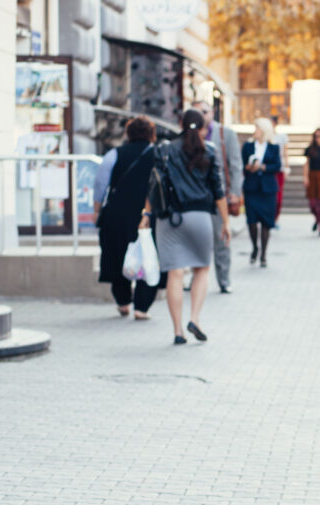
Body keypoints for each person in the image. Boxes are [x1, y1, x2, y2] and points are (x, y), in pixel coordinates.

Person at [139, 109, 229, 345]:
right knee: (201, 270)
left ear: (180, 123)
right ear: (202, 128)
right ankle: (195, 319)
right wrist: (226, 222)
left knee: (175, 274)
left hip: (170, 218)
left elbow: (153, 184)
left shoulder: (164, 149)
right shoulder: (209, 150)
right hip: (200, 217)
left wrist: (146, 213)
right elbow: (218, 191)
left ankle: (178, 331)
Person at [93, 115, 162, 319]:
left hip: (117, 213)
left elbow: (100, 184)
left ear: (128, 134)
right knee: (148, 255)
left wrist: (97, 209)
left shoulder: (114, 154)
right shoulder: (157, 155)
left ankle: (123, 302)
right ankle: (141, 307)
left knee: (116, 255)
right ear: (151, 134)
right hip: (147, 215)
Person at [193, 99, 242, 293]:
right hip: (195, 198)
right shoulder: (190, 135)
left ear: (212, 113)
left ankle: (224, 279)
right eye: (196, 112)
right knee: (196, 240)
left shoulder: (225, 134)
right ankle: (196, 278)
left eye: (204, 112)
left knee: (221, 239)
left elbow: (235, 165)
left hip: (218, 197)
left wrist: (236, 193)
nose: (201, 116)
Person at [242, 118, 282, 267]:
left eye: (258, 129)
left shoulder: (273, 147)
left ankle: (263, 254)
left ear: (265, 131)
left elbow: (277, 166)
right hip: (251, 189)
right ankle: (255, 248)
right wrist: (249, 167)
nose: (255, 131)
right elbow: (241, 164)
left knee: (266, 222)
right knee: (251, 221)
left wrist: (262, 167)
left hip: (267, 190)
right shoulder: (247, 146)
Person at [271, 115, 289, 228]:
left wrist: (287, 167)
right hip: (269, 170)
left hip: (279, 169)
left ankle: (275, 218)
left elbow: (285, 153)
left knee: (278, 196)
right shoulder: (265, 137)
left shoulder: (281, 137)